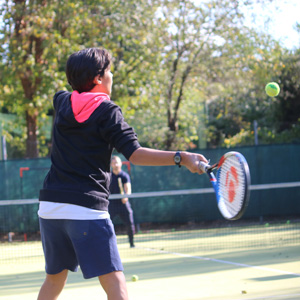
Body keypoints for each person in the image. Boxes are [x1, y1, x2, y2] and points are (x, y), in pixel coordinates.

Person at [37, 47, 208, 300]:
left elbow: (68, 94)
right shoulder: (107, 111)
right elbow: (135, 154)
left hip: (49, 208)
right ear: (98, 79)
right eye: (108, 71)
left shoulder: (61, 101)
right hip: (85, 208)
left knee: (54, 279)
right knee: (116, 283)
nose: (112, 75)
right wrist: (181, 157)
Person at [109, 156, 136, 248]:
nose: (115, 165)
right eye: (114, 163)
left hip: (123, 204)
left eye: (117, 162)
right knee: (105, 224)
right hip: (111, 204)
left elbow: (128, 189)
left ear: (121, 163)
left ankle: (132, 243)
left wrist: (126, 197)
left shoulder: (124, 176)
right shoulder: (108, 176)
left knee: (130, 223)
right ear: (111, 165)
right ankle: (107, 244)